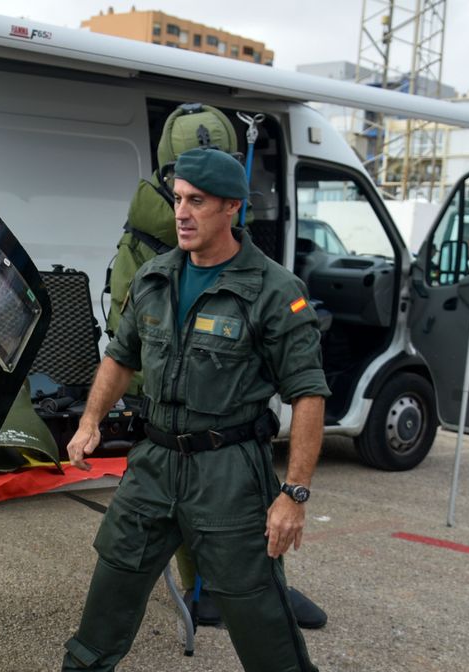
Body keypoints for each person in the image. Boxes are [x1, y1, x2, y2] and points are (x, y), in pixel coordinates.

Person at [34, 147, 343, 672]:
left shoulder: (273, 291)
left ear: (231, 207)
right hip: (153, 463)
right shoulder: (155, 278)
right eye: (178, 199)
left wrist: (294, 493)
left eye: (197, 201)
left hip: (228, 470)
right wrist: (91, 420)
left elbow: (308, 394)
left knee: (252, 605)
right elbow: (120, 358)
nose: (182, 212)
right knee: (114, 584)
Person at [105, 101, 327, 630]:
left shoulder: (166, 224)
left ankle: (235, 586)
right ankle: (222, 589)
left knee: (222, 463)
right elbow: (133, 336)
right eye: (187, 190)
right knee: (212, 470)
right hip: (166, 394)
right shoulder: (163, 243)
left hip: (183, 391)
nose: (187, 208)